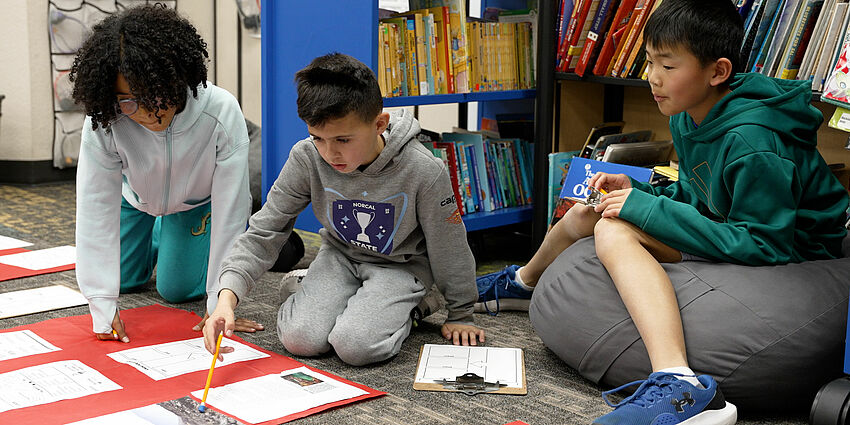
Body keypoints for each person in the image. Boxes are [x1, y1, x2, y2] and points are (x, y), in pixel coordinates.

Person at [477, 0, 849, 423]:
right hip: (731, 230)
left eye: (668, 67)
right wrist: (638, 191)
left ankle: (678, 379)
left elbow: (767, 244)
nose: (653, 78)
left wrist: (648, 211)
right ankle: (524, 282)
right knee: (590, 213)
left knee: (614, 233)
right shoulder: (688, 116)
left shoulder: (753, 144)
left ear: (718, 72)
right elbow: (703, 197)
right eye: (650, 62)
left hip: (798, 252)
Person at [202, 52, 484, 366]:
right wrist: (226, 299)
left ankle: (419, 305)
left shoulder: (423, 170)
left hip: (401, 267)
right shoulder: (307, 157)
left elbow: (449, 245)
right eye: (317, 138)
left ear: (380, 124)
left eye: (343, 139)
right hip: (340, 256)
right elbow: (265, 229)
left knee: (355, 346)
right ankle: (320, 287)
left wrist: (462, 312)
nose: (330, 152)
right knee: (299, 339)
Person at [71, 4, 299, 343]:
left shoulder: (220, 110)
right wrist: (101, 303)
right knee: (124, 280)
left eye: (154, 96)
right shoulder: (106, 118)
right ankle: (161, 232)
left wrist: (219, 298)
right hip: (133, 198)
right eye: (129, 101)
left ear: (177, 78)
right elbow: (94, 205)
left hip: (195, 203)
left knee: (175, 289)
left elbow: (232, 208)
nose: (147, 113)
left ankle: (176, 236)